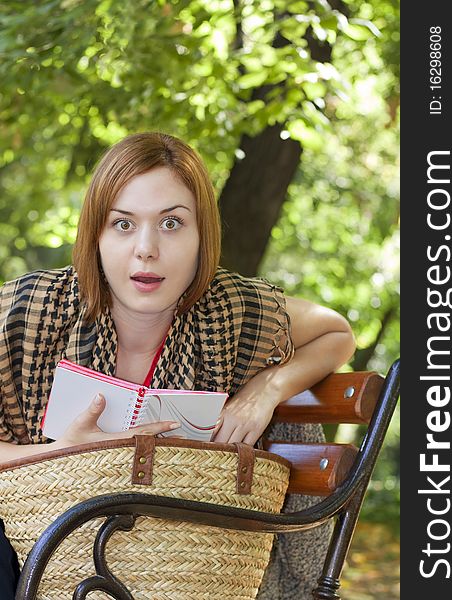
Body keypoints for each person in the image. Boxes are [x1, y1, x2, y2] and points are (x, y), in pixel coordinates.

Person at [0, 132, 355, 597]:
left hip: (169, 567)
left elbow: (337, 333)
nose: (146, 248)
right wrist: (61, 451)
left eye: (171, 224)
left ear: (201, 237)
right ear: (95, 236)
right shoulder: (28, 311)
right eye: (123, 224)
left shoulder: (231, 312)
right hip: (27, 553)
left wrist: (263, 392)